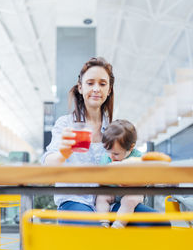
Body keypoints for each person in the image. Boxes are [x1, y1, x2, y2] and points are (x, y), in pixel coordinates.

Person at [42, 57, 170, 227]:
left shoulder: (116, 129)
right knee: (97, 234)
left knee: (159, 224)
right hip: (75, 200)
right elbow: (47, 165)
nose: (96, 89)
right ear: (80, 87)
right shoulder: (66, 124)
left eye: (102, 84)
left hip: (110, 201)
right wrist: (62, 154)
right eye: (90, 83)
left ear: (109, 89)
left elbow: (133, 162)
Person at [96, 119, 144, 228]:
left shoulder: (138, 157)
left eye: (116, 154)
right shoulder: (107, 158)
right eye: (108, 151)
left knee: (129, 200)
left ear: (131, 147)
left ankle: (119, 225)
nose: (111, 156)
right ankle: (103, 222)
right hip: (112, 192)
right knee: (101, 197)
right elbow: (100, 179)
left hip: (132, 193)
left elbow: (144, 178)